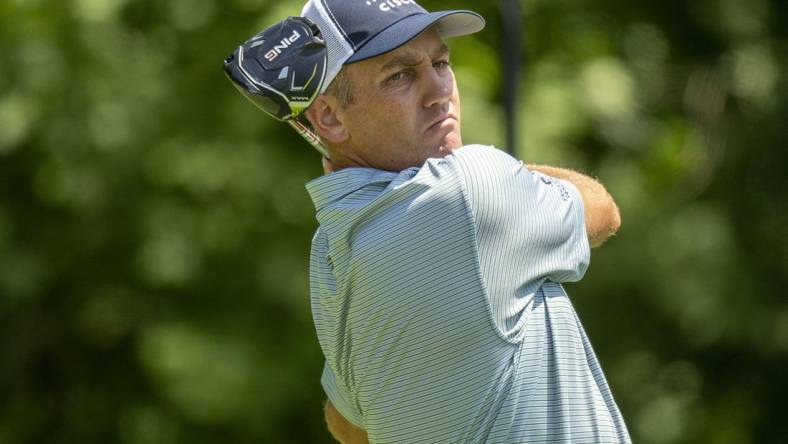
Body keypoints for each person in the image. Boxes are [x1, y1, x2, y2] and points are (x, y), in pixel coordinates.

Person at [291, 0, 631, 442]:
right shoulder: (473, 189)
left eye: (440, 62)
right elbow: (602, 210)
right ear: (330, 117)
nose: (440, 91)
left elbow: (350, 426)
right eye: (400, 75)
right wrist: (512, 177)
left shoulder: (331, 247)